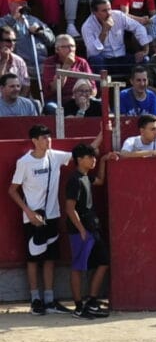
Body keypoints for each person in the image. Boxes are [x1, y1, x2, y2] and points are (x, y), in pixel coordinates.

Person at [11, 122, 65, 314]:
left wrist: (103, 133)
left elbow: (82, 153)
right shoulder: (24, 162)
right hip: (33, 217)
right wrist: (28, 212)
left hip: (52, 215)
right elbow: (12, 190)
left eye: (49, 137)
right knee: (33, 259)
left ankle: (49, 300)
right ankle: (35, 300)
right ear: (34, 141)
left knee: (50, 258)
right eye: (44, 137)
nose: (48, 140)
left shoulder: (54, 156)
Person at [59, 139, 108, 317]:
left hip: (90, 228)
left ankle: (91, 302)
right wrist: (81, 230)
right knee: (78, 267)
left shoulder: (86, 176)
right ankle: (79, 307)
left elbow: (100, 181)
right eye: (90, 157)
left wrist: (103, 161)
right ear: (79, 159)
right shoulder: (75, 180)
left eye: (94, 157)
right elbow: (69, 208)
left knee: (103, 262)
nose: (93, 160)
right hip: (81, 230)